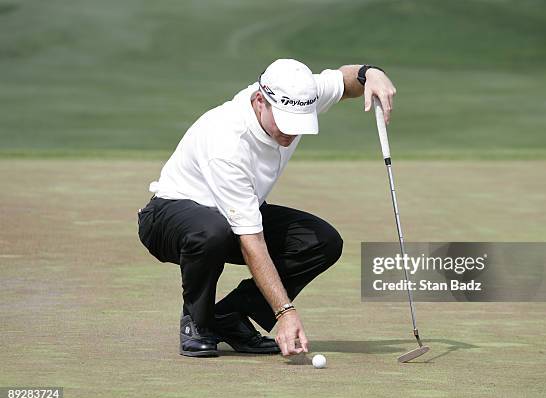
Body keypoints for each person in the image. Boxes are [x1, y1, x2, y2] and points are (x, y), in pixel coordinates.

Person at [137, 59, 396, 358]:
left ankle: (230, 316)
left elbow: (345, 80)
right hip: (168, 218)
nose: (291, 133)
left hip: (229, 215)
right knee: (213, 232)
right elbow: (251, 242)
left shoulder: (301, 92)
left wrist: (371, 74)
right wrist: (285, 313)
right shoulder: (227, 142)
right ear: (261, 101)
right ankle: (198, 322)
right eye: (286, 122)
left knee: (321, 241)